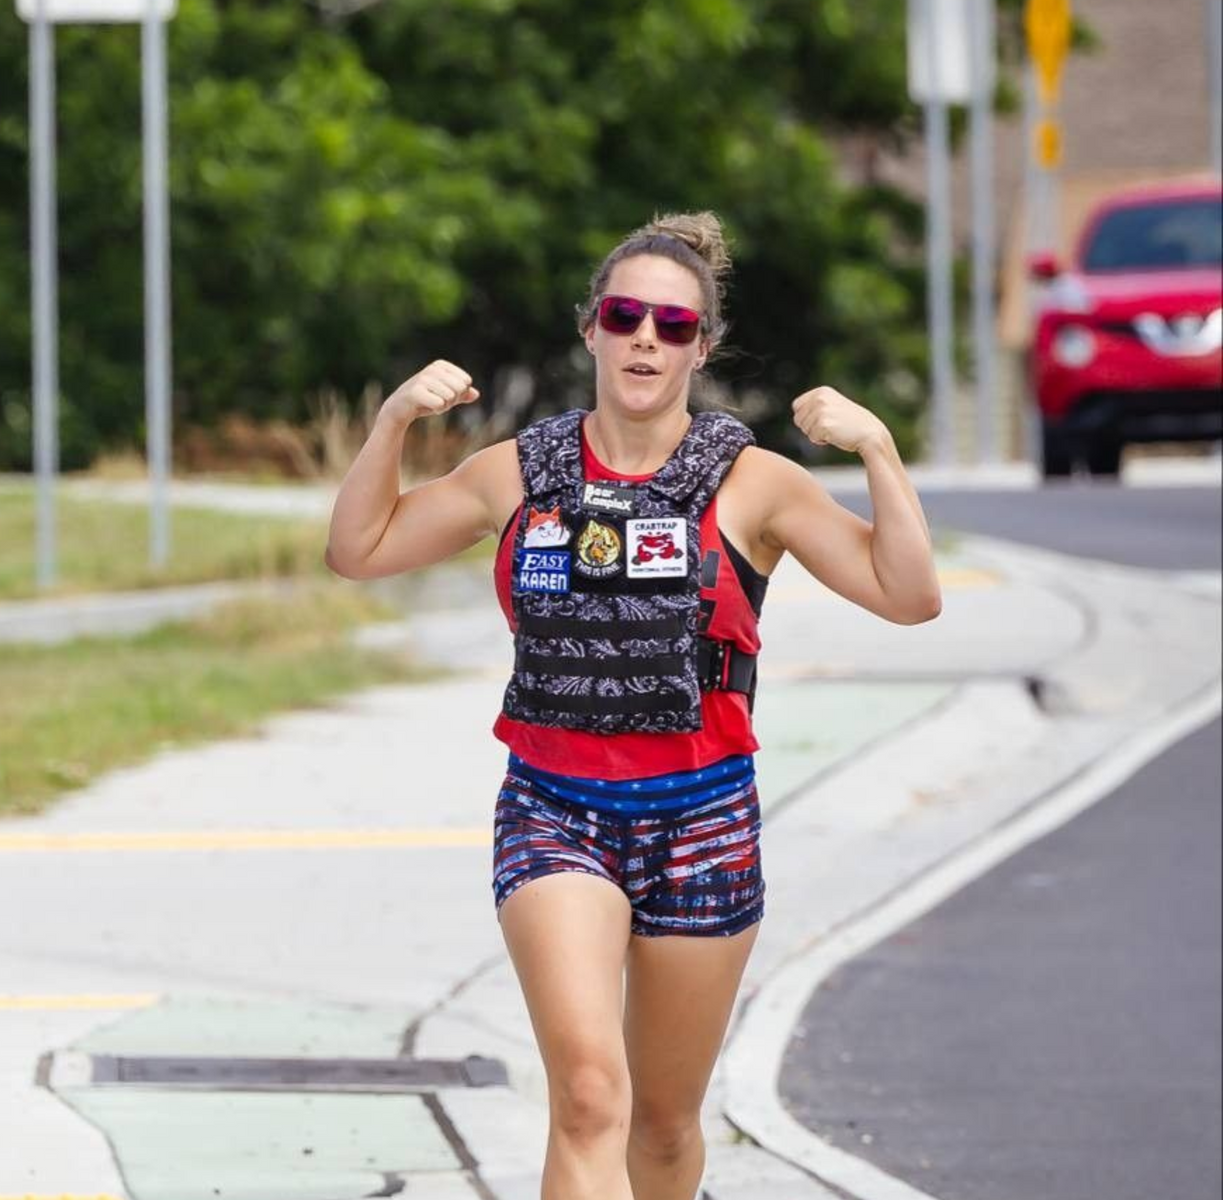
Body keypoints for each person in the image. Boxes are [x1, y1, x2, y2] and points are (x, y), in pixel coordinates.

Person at [325, 212, 940, 1200]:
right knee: (587, 1097)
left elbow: (908, 595)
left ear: (702, 347)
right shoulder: (520, 473)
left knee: (660, 1128)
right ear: (592, 330)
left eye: (673, 324)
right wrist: (393, 422)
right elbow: (358, 550)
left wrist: (877, 448)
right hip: (555, 811)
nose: (646, 338)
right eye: (625, 317)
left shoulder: (754, 484)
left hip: (703, 821)